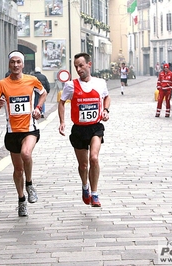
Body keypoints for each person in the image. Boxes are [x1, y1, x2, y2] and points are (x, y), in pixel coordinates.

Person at [0, 50, 47, 217]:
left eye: (18, 62)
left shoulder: (32, 80)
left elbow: (43, 93)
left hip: (29, 128)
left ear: (23, 64)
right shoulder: (2, 84)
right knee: (17, 170)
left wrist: (37, 108)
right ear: (9, 64)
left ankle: (29, 185)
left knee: (26, 154)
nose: (15, 65)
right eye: (12, 62)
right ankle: (21, 199)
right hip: (12, 131)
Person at [58, 52, 111, 208]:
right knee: (83, 165)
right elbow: (61, 102)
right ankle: (85, 186)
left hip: (95, 127)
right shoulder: (70, 85)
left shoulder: (100, 83)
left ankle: (94, 194)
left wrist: (106, 110)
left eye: (81, 65)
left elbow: (107, 97)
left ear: (89, 64)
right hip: (79, 129)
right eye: (76, 66)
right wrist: (62, 121)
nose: (78, 69)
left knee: (94, 158)